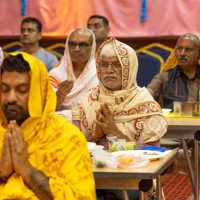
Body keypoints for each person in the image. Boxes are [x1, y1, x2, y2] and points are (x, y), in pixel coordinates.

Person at [72, 37, 167, 199]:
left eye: (116, 65)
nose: (109, 70)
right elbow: (72, 150)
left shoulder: (145, 105)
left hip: (132, 178)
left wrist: (114, 132)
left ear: (129, 69)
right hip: (91, 177)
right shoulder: (86, 102)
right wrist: (96, 135)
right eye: (104, 64)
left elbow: (153, 156)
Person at [0, 52, 96, 199]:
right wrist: (3, 173)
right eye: (5, 89)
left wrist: (26, 170)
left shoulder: (66, 138)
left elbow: (81, 196)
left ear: (40, 92)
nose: (11, 98)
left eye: (22, 90)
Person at [147, 33, 200, 110]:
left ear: (198, 54)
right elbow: (145, 97)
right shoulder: (164, 78)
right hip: (171, 122)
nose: (182, 53)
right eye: (179, 49)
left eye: (188, 49)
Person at [49, 28, 98, 111]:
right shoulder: (56, 73)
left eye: (83, 44)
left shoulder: (100, 72)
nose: (76, 49)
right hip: (60, 121)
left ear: (92, 47)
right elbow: (48, 109)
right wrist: (60, 94)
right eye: (72, 44)